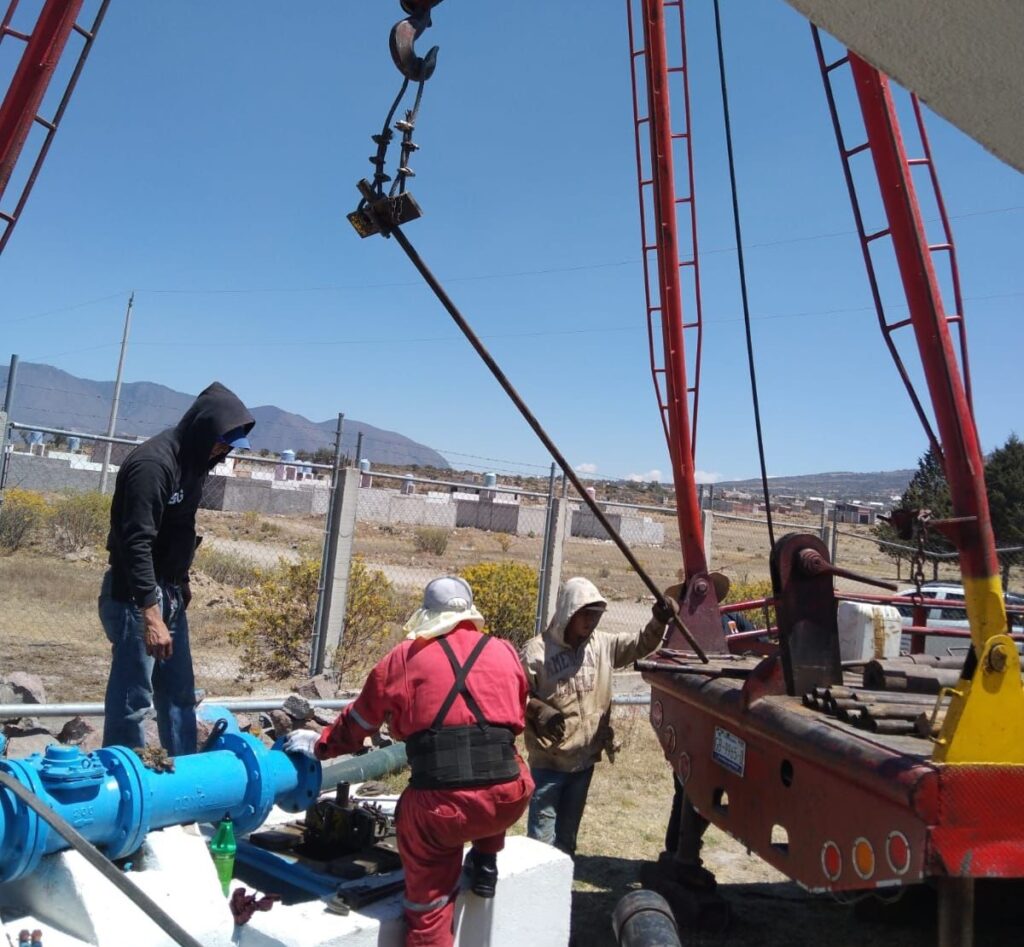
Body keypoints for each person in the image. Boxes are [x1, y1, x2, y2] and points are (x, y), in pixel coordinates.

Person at [285, 576, 533, 947]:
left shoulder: (403, 659)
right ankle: (485, 859)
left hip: (441, 812)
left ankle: (432, 912)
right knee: (497, 762)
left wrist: (320, 746)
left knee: (429, 907)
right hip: (509, 800)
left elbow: (359, 723)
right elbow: (512, 714)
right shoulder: (505, 651)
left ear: (427, 614)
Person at [100, 382, 254, 755]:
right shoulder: (153, 465)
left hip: (167, 594)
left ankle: (186, 778)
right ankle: (129, 788)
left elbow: (182, 526)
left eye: (231, 445)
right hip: (135, 600)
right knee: (133, 701)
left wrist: (181, 582)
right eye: (223, 441)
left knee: (180, 695)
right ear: (203, 430)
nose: (226, 450)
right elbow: (135, 543)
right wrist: (151, 616)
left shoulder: (194, 465)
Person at [520, 576, 677, 858]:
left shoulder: (603, 645)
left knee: (567, 839)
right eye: (586, 615)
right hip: (549, 762)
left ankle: (562, 886)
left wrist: (658, 622)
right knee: (540, 842)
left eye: (596, 615)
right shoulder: (537, 652)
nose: (591, 622)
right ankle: (536, 894)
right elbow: (515, 695)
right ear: (569, 611)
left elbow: (641, 643)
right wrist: (537, 710)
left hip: (583, 761)